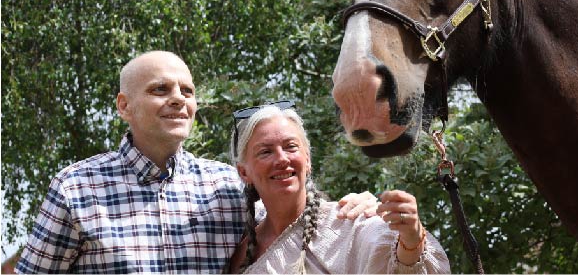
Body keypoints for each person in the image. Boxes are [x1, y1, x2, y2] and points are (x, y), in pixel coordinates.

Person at [15, 51, 378, 274]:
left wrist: (355, 210)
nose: (178, 99)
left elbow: (294, 223)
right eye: (160, 90)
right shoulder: (76, 188)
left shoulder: (229, 187)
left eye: (186, 91)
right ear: (124, 106)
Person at [228, 102, 451, 274]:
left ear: (307, 160)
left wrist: (412, 236)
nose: (282, 159)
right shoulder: (234, 249)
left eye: (291, 147)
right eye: (265, 151)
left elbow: (403, 263)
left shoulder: (349, 221)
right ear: (243, 172)